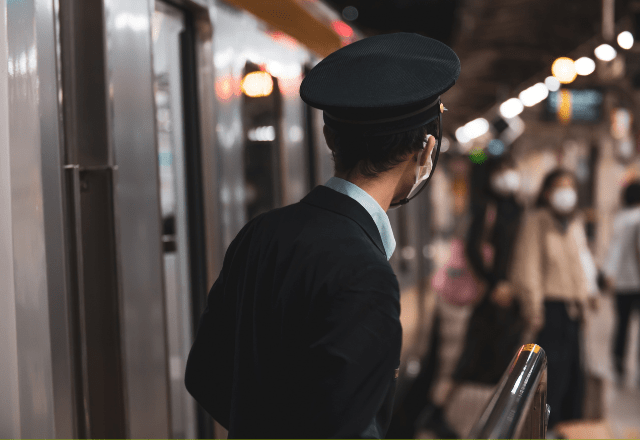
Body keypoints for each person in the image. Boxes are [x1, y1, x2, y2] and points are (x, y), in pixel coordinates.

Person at [184, 33, 461, 439]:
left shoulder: (261, 233)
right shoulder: (368, 276)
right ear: (425, 152)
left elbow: (204, 374)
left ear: (331, 139)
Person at [510, 168, 597, 429]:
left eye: (570, 187)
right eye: (560, 187)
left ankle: (569, 430)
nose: (566, 194)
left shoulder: (574, 223)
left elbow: (582, 261)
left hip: (572, 312)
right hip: (549, 312)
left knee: (573, 381)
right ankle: (547, 431)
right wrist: (533, 308)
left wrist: (588, 294)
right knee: (551, 383)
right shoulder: (537, 221)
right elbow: (529, 268)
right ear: (547, 193)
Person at [603, 180, 640, 385]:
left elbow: (614, 249)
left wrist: (609, 273)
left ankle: (618, 364)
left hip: (623, 284)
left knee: (622, 325)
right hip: (637, 283)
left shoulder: (621, 218)